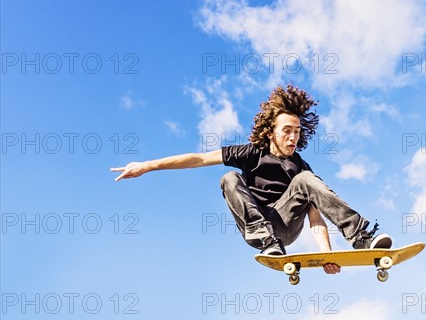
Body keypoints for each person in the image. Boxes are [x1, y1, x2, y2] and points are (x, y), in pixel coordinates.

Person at [111, 85, 392, 274]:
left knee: (307, 179)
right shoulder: (249, 153)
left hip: (288, 225)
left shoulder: (300, 167)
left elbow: (315, 217)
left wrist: (328, 254)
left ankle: (362, 237)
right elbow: (198, 158)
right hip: (259, 226)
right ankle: (268, 243)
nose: (293, 137)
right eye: (286, 131)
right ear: (271, 132)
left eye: (297, 131)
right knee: (229, 177)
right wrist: (147, 165)